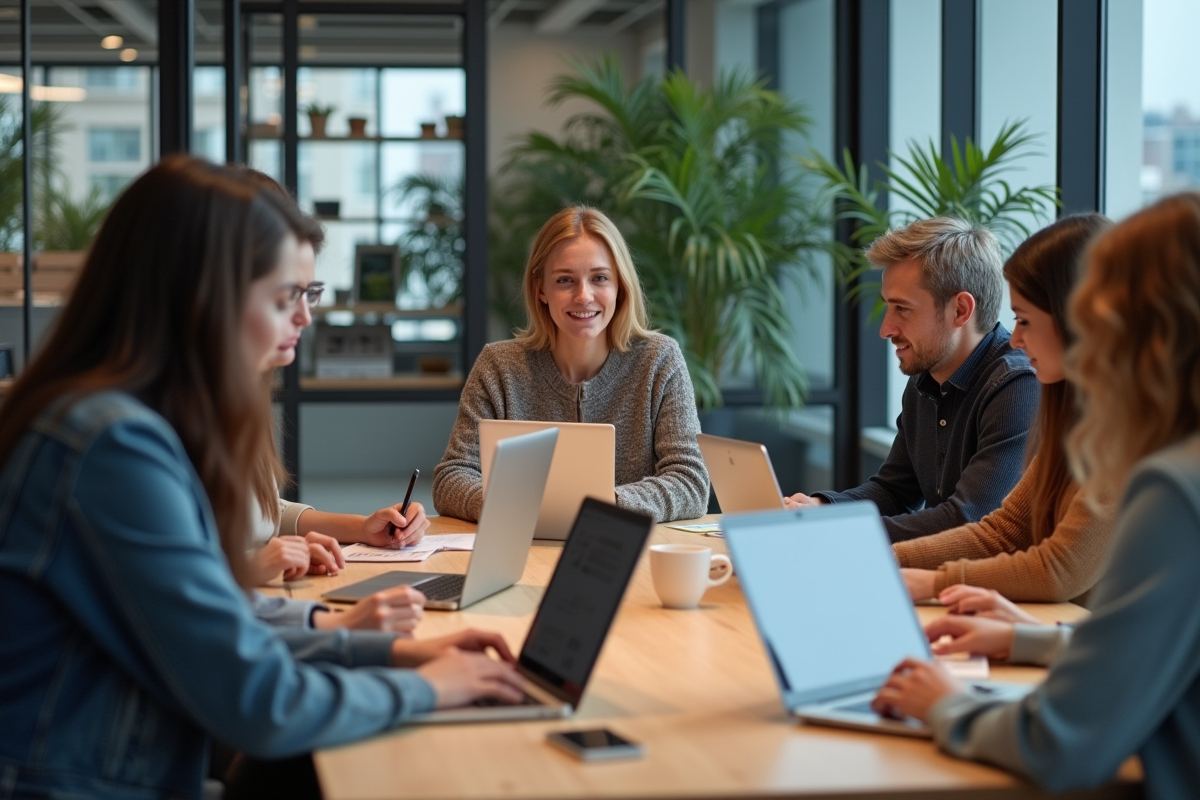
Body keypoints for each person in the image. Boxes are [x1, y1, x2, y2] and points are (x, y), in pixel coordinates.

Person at [0, 156, 524, 800]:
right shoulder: (112, 445)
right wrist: (424, 687)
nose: (303, 318)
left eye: (307, 295)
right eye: (283, 298)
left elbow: (217, 615)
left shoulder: (123, 420)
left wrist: (390, 653)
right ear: (200, 296)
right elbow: (255, 698)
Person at [872, 192, 1200, 799]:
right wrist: (1031, 638)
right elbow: (1161, 646)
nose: (1016, 339)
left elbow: (1059, 742)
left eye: (1026, 319)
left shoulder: (1172, 484)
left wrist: (944, 703)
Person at [433, 205, 709, 523]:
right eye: (565, 280)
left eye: (599, 278)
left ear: (620, 286)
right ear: (541, 289)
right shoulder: (498, 367)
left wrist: (607, 505)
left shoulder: (659, 360)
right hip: (522, 545)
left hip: (623, 545)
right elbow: (451, 477)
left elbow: (691, 482)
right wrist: (504, 503)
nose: (584, 296)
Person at [894, 214, 1115, 604]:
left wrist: (933, 582)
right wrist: (879, 558)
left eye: (1024, 320)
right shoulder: (1075, 416)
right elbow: (1003, 532)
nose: (1016, 339)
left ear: (1079, 319)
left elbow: (1058, 570)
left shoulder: (1132, 432)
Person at [786, 216, 1040, 543]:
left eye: (902, 309)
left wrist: (837, 528)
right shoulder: (926, 377)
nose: (885, 329)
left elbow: (967, 520)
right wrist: (821, 509)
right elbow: (894, 491)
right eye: (887, 307)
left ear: (960, 310)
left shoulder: (1018, 386)